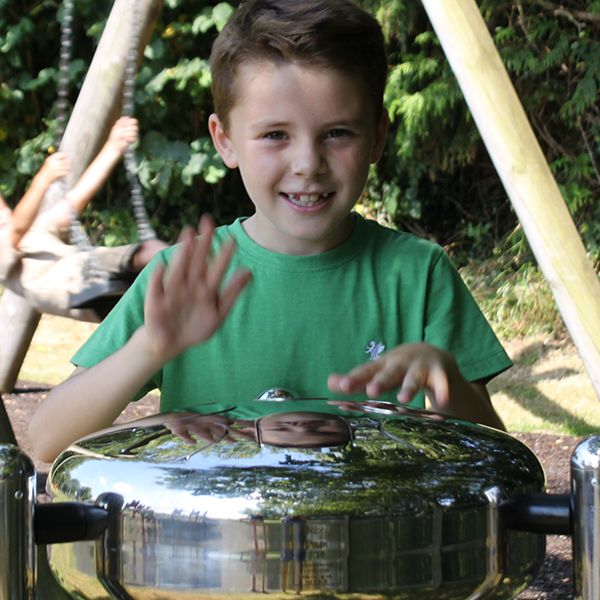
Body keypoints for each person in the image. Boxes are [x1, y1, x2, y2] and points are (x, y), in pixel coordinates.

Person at [29, 0, 511, 463]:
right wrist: (150, 347)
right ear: (225, 141)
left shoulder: (419, 275)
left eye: (338, 133)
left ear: (378, 137)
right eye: (275, 135)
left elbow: (495, 457)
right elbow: (47, 439)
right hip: (215, 546)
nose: (307, 165)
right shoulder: (183, 276)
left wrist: (445, 379)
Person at [1, 116, 167, 320]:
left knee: (154, 257)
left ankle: (199, 278)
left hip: (90, 269)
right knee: (150, 262)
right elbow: (15, 231)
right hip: (79, 288)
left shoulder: (36, 230)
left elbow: (77, 199)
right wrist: (41, 180)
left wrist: (114, 145)